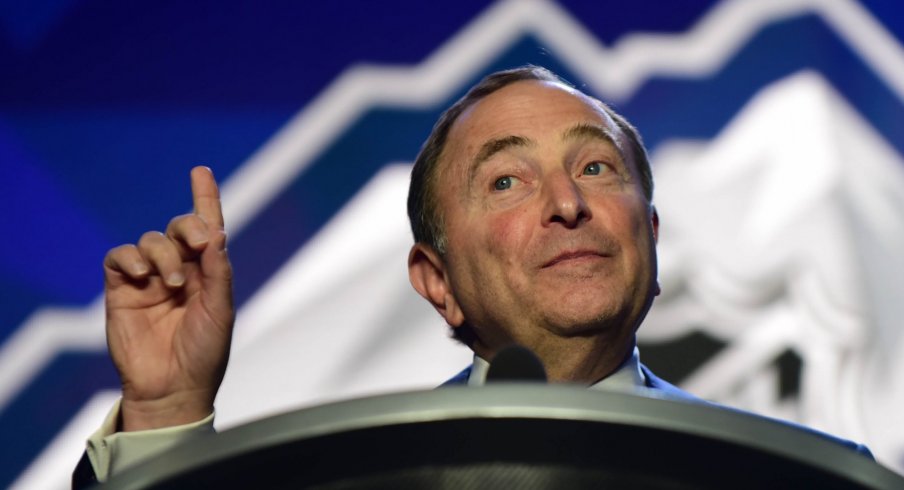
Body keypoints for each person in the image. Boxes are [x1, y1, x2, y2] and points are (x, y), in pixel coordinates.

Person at [73, 66, 871, 487]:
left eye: (595, 167)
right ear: (437, 282)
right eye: (505, 182)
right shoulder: (335, 478)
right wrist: (165, 410)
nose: (567, 203)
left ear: (651, 240)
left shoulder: (810, 480)